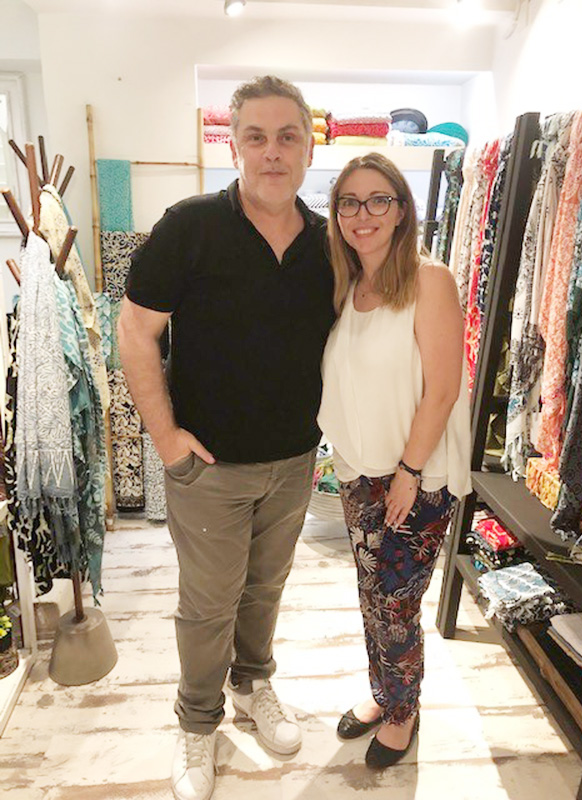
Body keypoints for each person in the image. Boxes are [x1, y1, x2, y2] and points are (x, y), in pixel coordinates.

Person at [118, 76, 335, 800]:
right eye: (256, 137)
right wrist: (167, 438)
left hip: (294, 459)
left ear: (309, 147)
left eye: (287, 136)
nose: (273, 151)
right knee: (208, 604)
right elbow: (135, 332)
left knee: (266, 589)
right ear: (233, 145)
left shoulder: (328, 243)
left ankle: (252, 683)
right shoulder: (190, 226)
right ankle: (197, 719)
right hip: (208, 465)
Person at [318, 152, 471, 769]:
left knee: (396, 604)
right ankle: (385, 695)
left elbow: (444, 388)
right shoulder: (347, 287)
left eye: (378, 199)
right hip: (359, 473)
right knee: (371, 599)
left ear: (402, 209)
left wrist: (408, 472)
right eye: (349, 202)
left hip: (418, 475)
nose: (364, 214)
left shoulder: (430, 280)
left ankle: (404, 711)